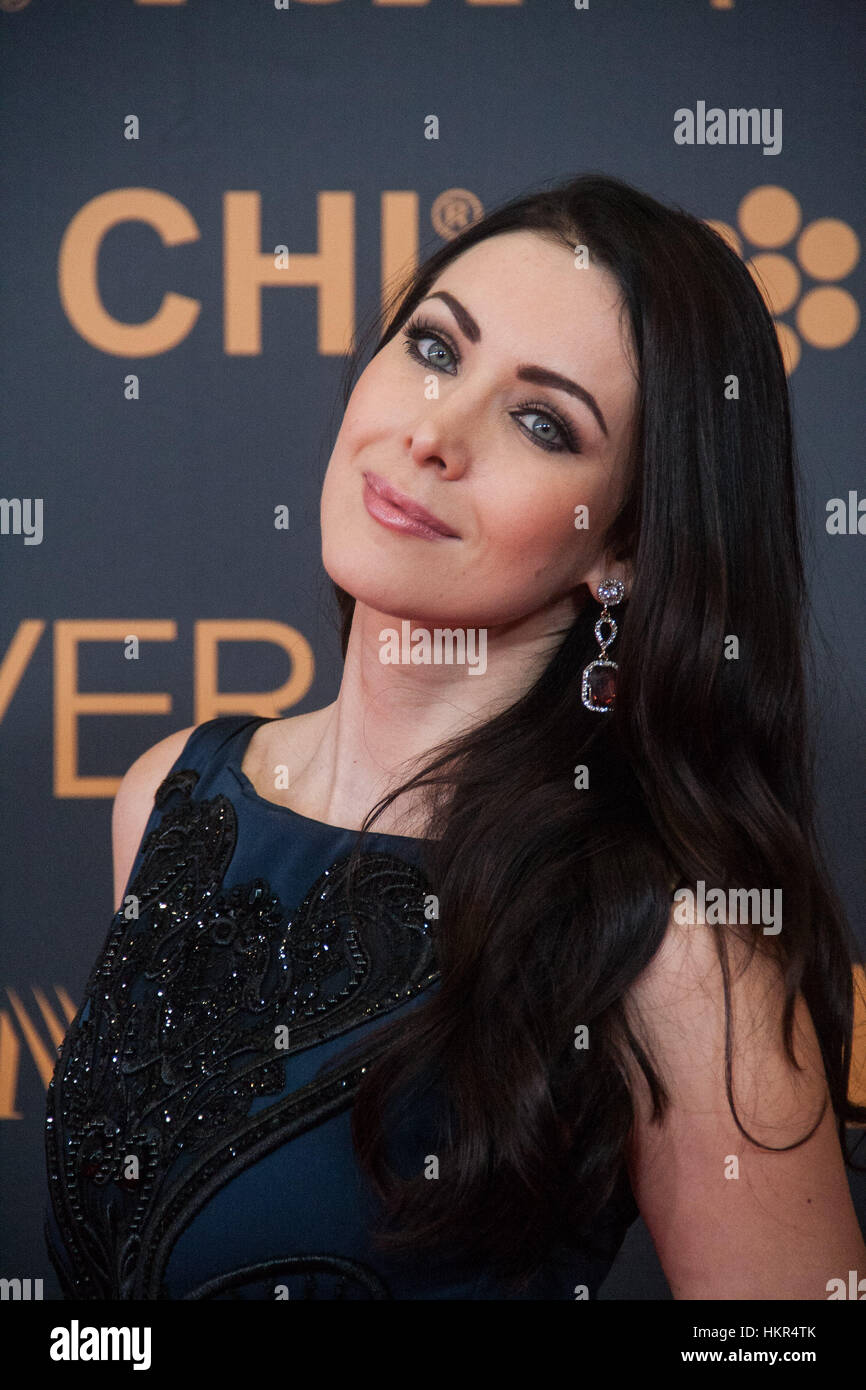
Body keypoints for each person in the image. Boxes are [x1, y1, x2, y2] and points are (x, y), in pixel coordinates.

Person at [45, 172, 866, 1300]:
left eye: (540, 421)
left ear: (618, 549)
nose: (433, 432)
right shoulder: (168, 798)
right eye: (434, 348)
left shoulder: (670, 945)